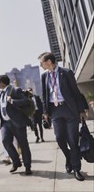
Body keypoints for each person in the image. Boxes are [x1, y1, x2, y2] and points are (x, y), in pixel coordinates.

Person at [38, 52, 87, 181]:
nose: (40, 65)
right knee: (60, 138)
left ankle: (77, 168)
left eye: (41, 62)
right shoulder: (44, 76)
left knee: (72, 139)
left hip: (70, 109)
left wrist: (81, 110)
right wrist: (45, 113)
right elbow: (44, 95)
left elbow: (76, 92)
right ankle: (69, 157)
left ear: (49, 61)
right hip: (55, 110)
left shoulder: (66, 72)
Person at [0, 75, 32, 175]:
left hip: (17, 122)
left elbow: (26, 101)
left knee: (23, 144)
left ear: (2, 82)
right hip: (5, 123)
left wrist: (12, 100)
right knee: (5, 141)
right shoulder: (0, 93)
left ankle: (27, 166)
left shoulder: (15, 90)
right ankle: (16, 162)